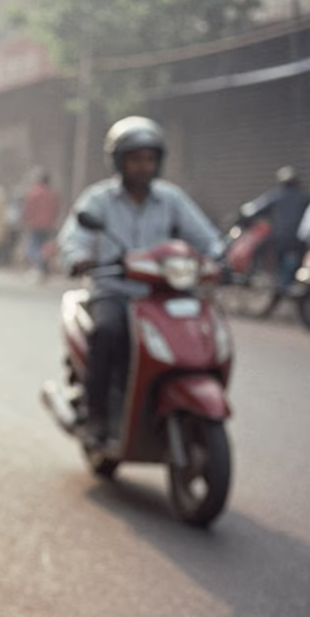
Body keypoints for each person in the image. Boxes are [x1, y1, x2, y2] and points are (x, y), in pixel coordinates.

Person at [58, 116, 224, 445]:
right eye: (135, 159)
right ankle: (98, 415)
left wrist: (223, 259)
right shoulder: (99, 199)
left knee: (201, 332)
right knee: (107, 333)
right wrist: (78, 258)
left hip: (163, 295)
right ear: (120, 162)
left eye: (149, 159)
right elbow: (73, 239)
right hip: (116, 292)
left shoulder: (171, 199)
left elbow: (208, 240)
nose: (143, 166)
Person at [239, 166, 309, 293]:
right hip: (299, 241)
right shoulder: (304, 197)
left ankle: (261, 275)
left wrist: (245, 213)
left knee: (261, 249)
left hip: (280, 239)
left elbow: (255, 208)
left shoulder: (276, 195)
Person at [23, 170, 62, 281]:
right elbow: (56, 209)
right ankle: (43, 268)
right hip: (49, 223)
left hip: (35, 224)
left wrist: (27, 220)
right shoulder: (53, 193)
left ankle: (39, 264)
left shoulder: (33, 193)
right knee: (45, 245)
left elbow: (29, 209)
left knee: (34, 246)